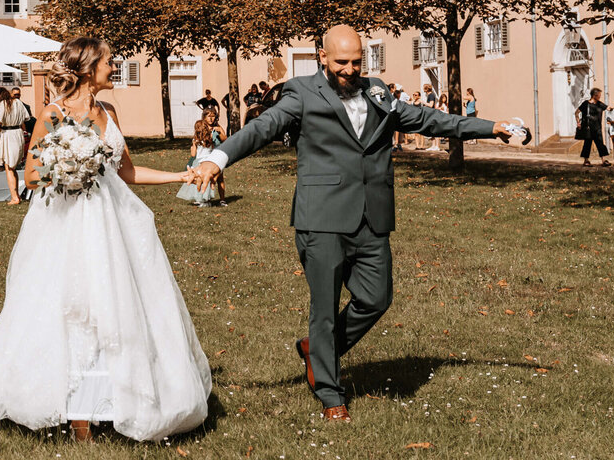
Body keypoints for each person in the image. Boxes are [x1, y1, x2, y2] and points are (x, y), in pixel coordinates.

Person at [191, 25, 512, 422]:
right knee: (324, 308)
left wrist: (491, 128)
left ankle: (316, 349)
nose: (349, 69)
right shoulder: (301, 94)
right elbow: (262, 128)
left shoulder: (377, 91)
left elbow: (427, 119)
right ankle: (330, 392)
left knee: (377, 298)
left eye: (356, 61)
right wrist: (216, 159)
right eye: (341, 62)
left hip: (372, 216)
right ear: (322, 58)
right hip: (322, 217)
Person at [0, 36, 210, 442]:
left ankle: (123, 398)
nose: (114, 68)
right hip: (67, 226)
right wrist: (71, 169)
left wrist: (178, 176)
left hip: (114, 226)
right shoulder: (52, 114)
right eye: (109, 62)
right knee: (75, 311)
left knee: (119, 310)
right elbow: (32, 175)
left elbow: (125, 172)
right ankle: (79, 417)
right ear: (88, 68)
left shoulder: (108, 111)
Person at [176, 118, 221, 207]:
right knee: (206, 182)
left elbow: (193, 154)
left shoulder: (195, 140)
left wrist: (192, 147)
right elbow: (212, 148)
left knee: (197, 181)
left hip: (199, 162)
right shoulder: (210, 137)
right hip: (208, 162)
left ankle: (201, 199)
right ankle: (204, 199)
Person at [0, 86, 27, 205]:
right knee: (13, 167)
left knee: (8, 166)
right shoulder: (18, 102)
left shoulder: (3, 104)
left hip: (8, 134)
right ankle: (16, 195)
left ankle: (14, 197)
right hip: (18, 133)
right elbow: (26, 117)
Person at [577, 88, 611, 167]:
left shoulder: (599, 104)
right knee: (587, 144)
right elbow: (577, 112)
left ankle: (603, 160)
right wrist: (578, 123)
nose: (600, 97)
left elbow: (608, 108)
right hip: (588, 128)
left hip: (597, 128)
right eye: (599, 95)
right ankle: (586, 160)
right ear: (594, 95)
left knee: (600, 144)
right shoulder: (586, 104)